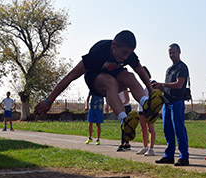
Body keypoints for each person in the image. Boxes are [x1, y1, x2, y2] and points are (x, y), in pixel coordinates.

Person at [34, 30, 164, 142]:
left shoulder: (127, 54)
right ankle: (124, 121)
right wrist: (49, 100)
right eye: (124, 53)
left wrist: (152, 92)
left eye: (129, 54)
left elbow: (140, 71)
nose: (126, 57)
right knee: (110, 81)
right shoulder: (98, 53)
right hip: (95, 80)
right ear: (114, 45)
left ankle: (146, 104)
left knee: (130, 76)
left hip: (115, 75)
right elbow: (70, 76)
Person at [154, 43, 189, 166]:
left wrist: (162, 84)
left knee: (179, 129)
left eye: (174, 52)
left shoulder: (182, 67)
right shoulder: (169, 69)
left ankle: (184, 156)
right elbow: (166, 86)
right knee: (167, 129)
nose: (171, 55)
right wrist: (158, 87)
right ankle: (168, 156)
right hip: (166, 102)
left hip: (177, 102)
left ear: (179, 52)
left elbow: (179, 84)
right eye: (170, 52)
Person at [136, 66, 156, 156]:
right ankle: (145, 147)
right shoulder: (142, 86)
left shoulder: (153, 83)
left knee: (150, 129)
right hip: (141, 109)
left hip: (149, 110)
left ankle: (151, 148)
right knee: (143, 129)